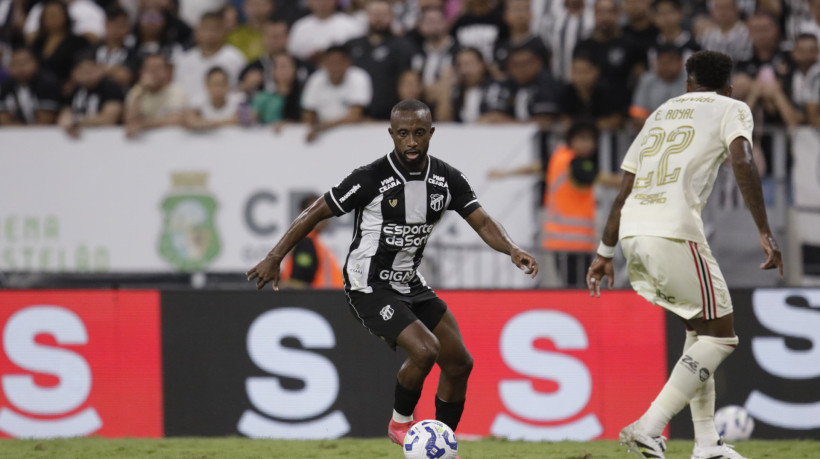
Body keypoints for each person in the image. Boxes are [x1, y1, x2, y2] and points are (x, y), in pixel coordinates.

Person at [247, 98, 539, 448]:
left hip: (410, 282)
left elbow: (483, 221)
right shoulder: (370, 178)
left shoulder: (446, 178)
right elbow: (315, 211)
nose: (411, 142)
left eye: (419, 133)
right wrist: (275, 255)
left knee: (460, 363)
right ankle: (401, 424)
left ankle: (440, 445)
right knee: (426, 350)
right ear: (391, 134)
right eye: (403, 134)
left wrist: (512, 248)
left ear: (431, 133)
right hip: (367, 285)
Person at [586, 50, 783, 459]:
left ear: (687, 84)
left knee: (698, 335)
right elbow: (743, 160)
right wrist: (764, 229)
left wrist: (604, 252)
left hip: (633, 234)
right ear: (727, 86)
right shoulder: (731, 107)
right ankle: (649, 426)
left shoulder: (659, 114)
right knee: (723, 337)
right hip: (673, 232)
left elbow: (624, 192)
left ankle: (707, 444)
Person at [300, 45, 372, 142]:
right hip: (321, 133)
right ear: (323, 63)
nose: (335, 67)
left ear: (348, 62)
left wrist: (323, 126)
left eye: (339, 62)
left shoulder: (359, 77)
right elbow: (308, 113)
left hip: (353, 135)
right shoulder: (315, 79)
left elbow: (355, 115)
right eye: (331, 63)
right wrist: (312, 126)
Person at [175, 11, 246, 104]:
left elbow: (239, 91)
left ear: (224, 31)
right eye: (205, 29)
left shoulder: (235, 58)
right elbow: (178, 91)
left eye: (214, 29)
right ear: (197, 31)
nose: (209, 33)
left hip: (222, 113)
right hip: (187, 112)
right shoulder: (184, 60)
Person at [279, 194, 345, 288]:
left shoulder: (313, 242)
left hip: (325, 299)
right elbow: (299, 280)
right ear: (302, 214)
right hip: (318, 300)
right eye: (317, 212)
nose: (324, 216)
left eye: (326, 211)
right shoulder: (306, 242)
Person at [58, 53, 125, 137]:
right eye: (83, 72)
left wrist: (77, 121)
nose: (88, 76)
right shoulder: (75, 89)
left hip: (106, 137)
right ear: (75, 73)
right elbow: (65, 113)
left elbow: (109, 119)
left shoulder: (110, 87)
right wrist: (66, 119)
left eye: (91, 71)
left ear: (100, 69)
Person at [124, 53, 188, 137]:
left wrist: (141, 124)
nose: (153, 72)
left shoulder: (176, 90)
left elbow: (175, 119)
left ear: (167, 71)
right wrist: (140, 91)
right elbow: (129, 120)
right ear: (141, 71)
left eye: (157, 68)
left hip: (170, 140)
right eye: (149, 68)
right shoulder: (136, 91)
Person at [630, 44, 687, 129]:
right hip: (652, 133)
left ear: (681, 62)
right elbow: (637, 115)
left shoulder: (692, 81)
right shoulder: (647, 80)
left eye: (670, 61)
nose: (665, 65)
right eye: (661, 61)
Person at [0, 46, 60, 125]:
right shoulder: (5, 86)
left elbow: (46, 120)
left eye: (25, 63)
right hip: (14, 134)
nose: (21, 68)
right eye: (15, 64)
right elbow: (3, 119)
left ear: (36, 63)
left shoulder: (47, 84)